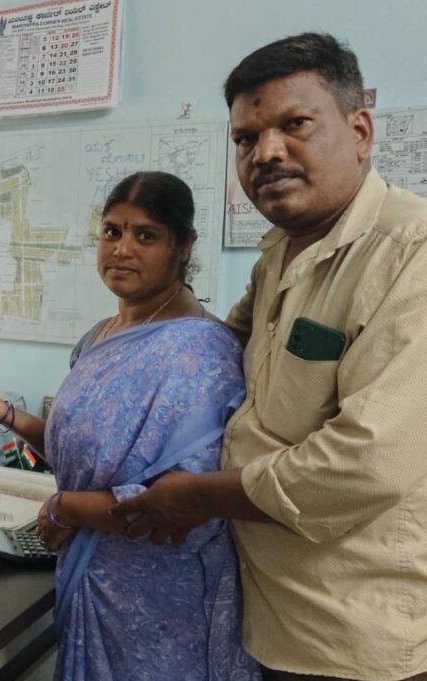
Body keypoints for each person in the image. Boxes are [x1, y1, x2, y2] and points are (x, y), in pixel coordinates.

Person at [111, 34, 427, 681]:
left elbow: (367, 463)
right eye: (246, 138)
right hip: (261, 613)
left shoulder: (408, 254)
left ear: (360, 131)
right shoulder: (280, 253)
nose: (267, 152)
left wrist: (196, 496)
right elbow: (215, 356)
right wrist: (134, 325)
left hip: (349, 640)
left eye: (295, 124)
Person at [0, 172, 258, 681]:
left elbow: (179, 507)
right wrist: (8, 415)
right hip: (92, 577)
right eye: (112, 231)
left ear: (184, 246)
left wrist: (64, 507)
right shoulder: (100, 337)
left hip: (162, 603)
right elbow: (86, 459)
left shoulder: (199, 353)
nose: (122, 249)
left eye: (145, 235)